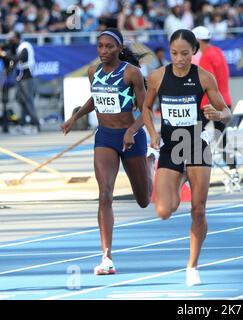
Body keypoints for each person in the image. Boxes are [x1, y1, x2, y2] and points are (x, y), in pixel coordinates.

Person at [141, 29, 231, 286]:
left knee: (198, 209)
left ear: (194, 52)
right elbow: (146, 107)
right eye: (174, 53)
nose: (179, 59)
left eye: (185, 53)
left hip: (196, 146)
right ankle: (174, 179)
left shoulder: (204, 77)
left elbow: (226, 112)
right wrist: (152, 133)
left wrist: (218, 114)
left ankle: (192, 266)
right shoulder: (158, 77)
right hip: (170, 148)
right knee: (163, 211)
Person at [60, 28, 153, 275]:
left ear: (119, 49)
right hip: (105, 138)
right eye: (100, 46)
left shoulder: (131, 73)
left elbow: (146, 111)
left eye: (109, 46)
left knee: (144, 200)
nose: (103, 51)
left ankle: (150, 166)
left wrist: (132, 130)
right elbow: (95, 99)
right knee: (105, 194)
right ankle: (106, 256)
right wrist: (75, 116)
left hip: (130, 139)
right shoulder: (93, 72)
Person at [0, 31, 40, 133]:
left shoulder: (24, 46)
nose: (10, 40)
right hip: (21, 77)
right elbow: (7, 47)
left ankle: (35, 124)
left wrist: (4, 54)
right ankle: (22, 123)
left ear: (17, 38)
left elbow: (19, 59)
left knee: (28, 100)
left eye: (12, 38)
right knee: (20, 99)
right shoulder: (17, 46)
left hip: (27, 77)